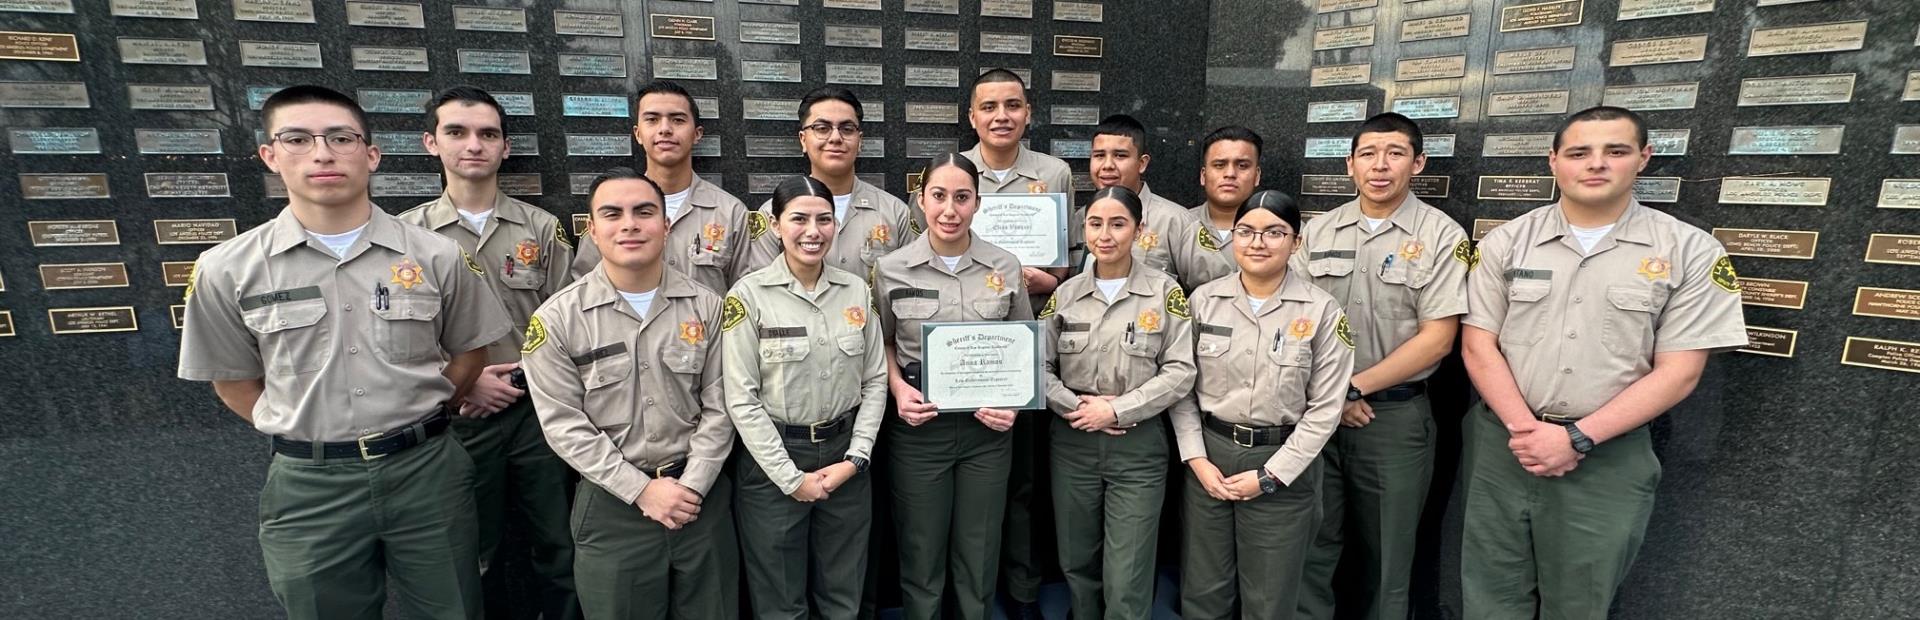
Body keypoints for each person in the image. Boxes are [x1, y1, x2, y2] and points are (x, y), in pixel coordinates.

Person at [177, 84, 512, 619]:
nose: (322, 153)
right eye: (297, 138)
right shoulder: (227, 268)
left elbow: (471, 351)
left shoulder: (437, 255)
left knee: (453, 608)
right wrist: (309, 423)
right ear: (269, 155)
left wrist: (423, 407)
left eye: (340, 138)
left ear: (371, 154)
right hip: (310, 486)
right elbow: (233, 380)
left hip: (426, 474)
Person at [1460, 106, 1747, 619]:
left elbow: (1681, 371)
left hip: (1607, 457)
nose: (1596, 164)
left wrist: (1574, 437)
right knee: (1489, 597)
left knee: (1579, 603)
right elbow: (1479, 345)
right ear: (1554, 162)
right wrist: (1528, 433)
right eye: (1579, 153)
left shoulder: (1690, 251)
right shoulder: (1505, 242)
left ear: (1643, 158)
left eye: (1615, 151)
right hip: (1503, 446)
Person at [523, 168, 739, 619]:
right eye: (612, 213)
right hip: (612, 506)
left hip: (700, 500)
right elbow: (564, 425)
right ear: (593, 230)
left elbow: (723, 405)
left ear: (665, 224)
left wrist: (691, 485)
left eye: (644, 212)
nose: (630, 224)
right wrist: (642, 491)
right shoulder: (557, 320)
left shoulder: (709, 308)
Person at [396, 86, 578, 619]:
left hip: (540, 415)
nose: (473, 144)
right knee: (470, 552)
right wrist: (463, 383)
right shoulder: (405, 237)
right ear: (432, 143)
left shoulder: (541, 229)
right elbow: (396, 338)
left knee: (559, 545)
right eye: (457, 132)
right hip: (456, 417)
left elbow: (569, 323)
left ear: (504, 147)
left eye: (488, 134)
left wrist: (522, 378)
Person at [1293, 113, 1469, 620]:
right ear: (1350, 164)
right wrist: (1333, 398)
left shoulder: (1442, 236)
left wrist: (1351, 390)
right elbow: (1295, 321)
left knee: (1388, 558)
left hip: (1392, 421)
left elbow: (1437, 340)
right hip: (1314, 417)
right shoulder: (1319, 231)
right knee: (1310, 547)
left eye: (1395, 153)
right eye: (1368, 154)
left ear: (1418, 163)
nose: (1380, 165)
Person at [1170, 190, 1354, 619]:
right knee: (1204, 591)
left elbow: (1326, 409)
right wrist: (1196, 459)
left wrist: (1272, 476)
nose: (1258, 242)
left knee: (1270, 599)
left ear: (1296, 242)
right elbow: (1181, 388)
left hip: (1283, 462)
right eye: (1247, 231)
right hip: (1210, 457)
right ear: (1233, 237)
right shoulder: (1202, 301)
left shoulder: (1323, 310)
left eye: (1274, 232)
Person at [872, 153, 1034, 620]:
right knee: (921, 550)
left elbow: (1027, 346)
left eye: (962, 198)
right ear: (920, 201)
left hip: (988, 433)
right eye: (938, 196)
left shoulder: (1005, 265)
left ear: (977, 203)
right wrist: (898, 389)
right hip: (921, 431)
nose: (950, 209)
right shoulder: (892, 268)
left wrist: (1014, 406)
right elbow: (879, 342)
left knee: (979, 549)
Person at [724, 175, 890, 619]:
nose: (812, 231)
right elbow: (740, 397)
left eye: (823, 219)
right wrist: (789, 477)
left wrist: (856, 458)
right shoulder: (748, 296)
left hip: (844, 457)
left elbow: (874, 381)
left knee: (843, 593)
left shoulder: (856, 290)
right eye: (798, 219)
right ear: (776, 226)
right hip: (774, 460)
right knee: (780, 599)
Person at [1038, 185, 1196, 618]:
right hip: (1073, 443)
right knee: (1077, 558)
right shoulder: (1065, 295)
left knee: (1128, 569)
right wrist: (1077, 407)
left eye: (1118, 223)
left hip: (1137, 445)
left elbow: (1181, 370)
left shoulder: (1166, 294)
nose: (1105, 234)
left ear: (1140, 230)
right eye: (1095, 223)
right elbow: (1036, 367)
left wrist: (1117, 409)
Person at [958, 67, 1072, 617]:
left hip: (1025, 342)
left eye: (1012, 105)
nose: (1001, 116)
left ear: (1028, 113)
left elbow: (1071, 261)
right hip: (963, 350)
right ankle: (968, 593)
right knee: (968, 485)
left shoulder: (1054, 173)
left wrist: (1048, 280)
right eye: (989, 107)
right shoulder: (951, 174)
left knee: (1023, 480)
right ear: (972, 116)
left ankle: (1024, 589)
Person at [570, 80, 756, 295]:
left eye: (677, 120)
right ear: (638, 134)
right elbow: (584, 290)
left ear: (697, 134)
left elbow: (746, 298)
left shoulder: (730, 212)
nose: (665, 129)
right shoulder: (608, 209)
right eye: (652, 119)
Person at [742, 87, 917, 276]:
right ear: (803, 139)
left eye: (847, 129)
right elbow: (763, 291)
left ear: (860, 141)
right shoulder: (774, 213)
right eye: (822, 128)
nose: (835, 138)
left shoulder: (896, 213)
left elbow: (910, 285)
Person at [1082, 114, 1231, 291]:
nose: (1107, 165)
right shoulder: (1078, 221)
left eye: (1120, 156)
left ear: (1142, 163)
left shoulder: (1176, 222)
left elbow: (1220, 289)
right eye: (1099, 155)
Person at [1189, 126, 1264, 248]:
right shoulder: (1178, 225)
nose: (1230, 174)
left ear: (1257, 176)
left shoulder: (1285, 229)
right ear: (1203, 175)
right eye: (1219, 165)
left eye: (1242, 166)